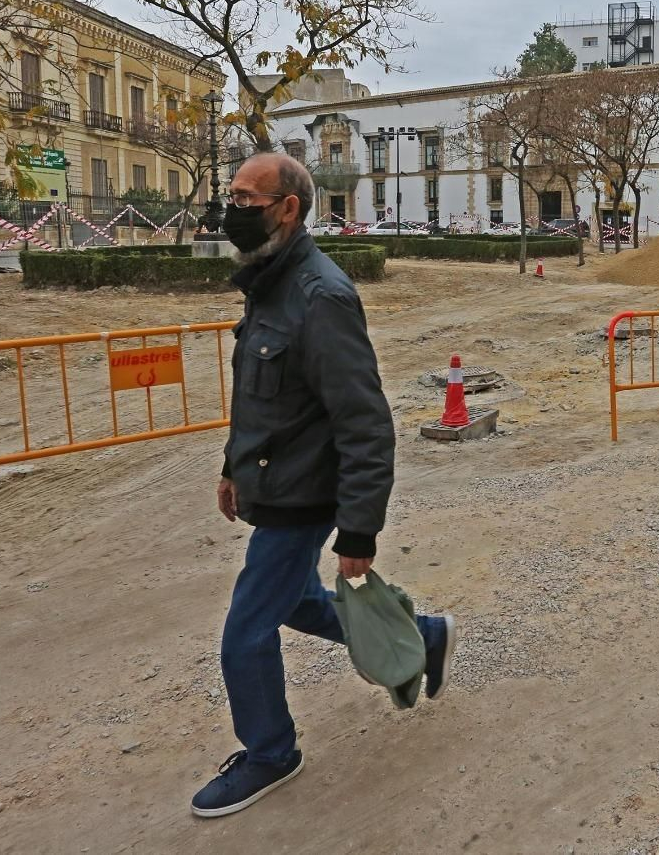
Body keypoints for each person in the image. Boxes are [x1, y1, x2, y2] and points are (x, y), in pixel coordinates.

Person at [191, 152, 457, 819]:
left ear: (288, 208)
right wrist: (232, 466)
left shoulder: (321, 295)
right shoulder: (269, 283)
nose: (233, 209)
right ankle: (421, 634)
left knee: (244, 635)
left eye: (247, 198)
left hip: (301, 498)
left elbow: (365, 423)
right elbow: (262, 400)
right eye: (231, 195)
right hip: (270, 484)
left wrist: (359, 528)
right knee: (295, 602)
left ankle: (271, 752)